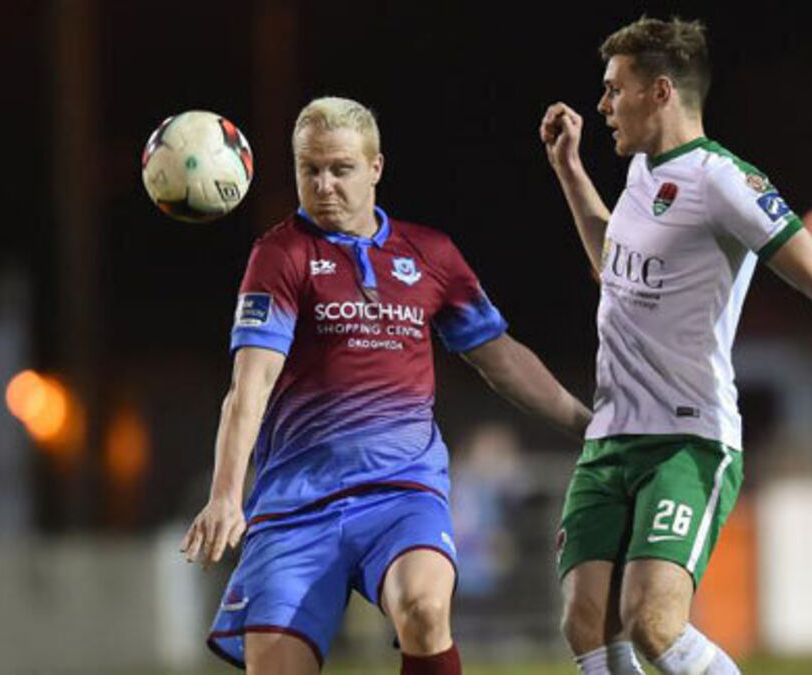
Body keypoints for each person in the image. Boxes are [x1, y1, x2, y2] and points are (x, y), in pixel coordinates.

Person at [539, 17, 812, 675]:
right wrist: (570, 171)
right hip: (610, 439)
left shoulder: (723, 180)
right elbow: (614, 264)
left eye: (614, 89)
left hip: (686, 440)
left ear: (660, 92)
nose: (602, 105)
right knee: (586, 624)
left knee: (653, 624)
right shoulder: (640, 173)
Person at [180, 96, 591, 675]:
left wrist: (588, 426)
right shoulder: (279, 255)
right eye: (309, 169)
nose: (323, 184)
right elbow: (251, 383)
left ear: (375, 168)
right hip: (297, 503)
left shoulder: (431, 254)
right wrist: (226, 494)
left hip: (402, 492)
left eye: (340, 168)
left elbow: (501, 358)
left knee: (424, 607)